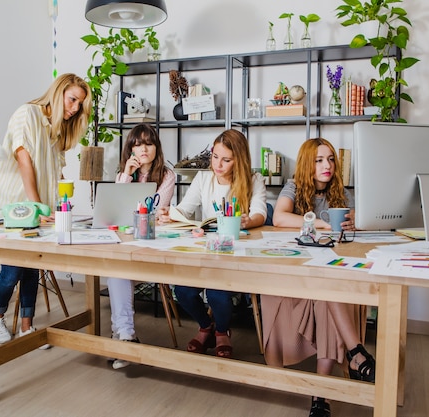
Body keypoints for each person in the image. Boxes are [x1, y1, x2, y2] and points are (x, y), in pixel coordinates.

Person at [263, 137, 375, 417]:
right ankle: (355, 353)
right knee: (330, 291)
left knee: (329, 293)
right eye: (319, 160)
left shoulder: (341, 192)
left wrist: (354, 221)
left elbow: (360, 219)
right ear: (307, 164)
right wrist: (322, 223)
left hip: (327, 273)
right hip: (297, 276)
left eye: (331, 159)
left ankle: (320, 395)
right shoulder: (294, 186)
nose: (327, 165)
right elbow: (279, 217)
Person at [0, 73, 92, 347]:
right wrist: (36, 207)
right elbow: (25, 162)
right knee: (11, 272)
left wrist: (59, 208)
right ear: (58, 92)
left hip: (40, 212)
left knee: (32, 270)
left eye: (79, 105)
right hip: (15, 211)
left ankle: (26, 326)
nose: (74, 108)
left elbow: (56, 174)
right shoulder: (27, 114)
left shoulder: (56, 129)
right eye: (72, 100)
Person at [157, 129, 267, 359]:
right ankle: (206, 326)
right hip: (208, 251)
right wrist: (170, 213)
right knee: (183, 291)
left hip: (236, 253)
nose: (218, 164)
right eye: (215, 157)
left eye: (226, 160)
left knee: (218, 294)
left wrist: (248, 220)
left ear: (239, 160)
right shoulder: (204, 178)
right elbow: (185, 209)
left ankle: (221, 332)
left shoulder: (254, 180)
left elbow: (261, 214)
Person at [107, 123, 175, 369]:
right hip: (127, 241)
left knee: (117, 269)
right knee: (116, 268)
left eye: (148, 143)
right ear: (130, 149)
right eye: (137, 144)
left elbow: (155, 214)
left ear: (156, 147)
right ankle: (125, 336)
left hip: (152, 242)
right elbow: (115, 211)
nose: (143, 149)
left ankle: (122, 336)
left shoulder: (167, 176)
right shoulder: (123, 175)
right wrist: (126, 175)